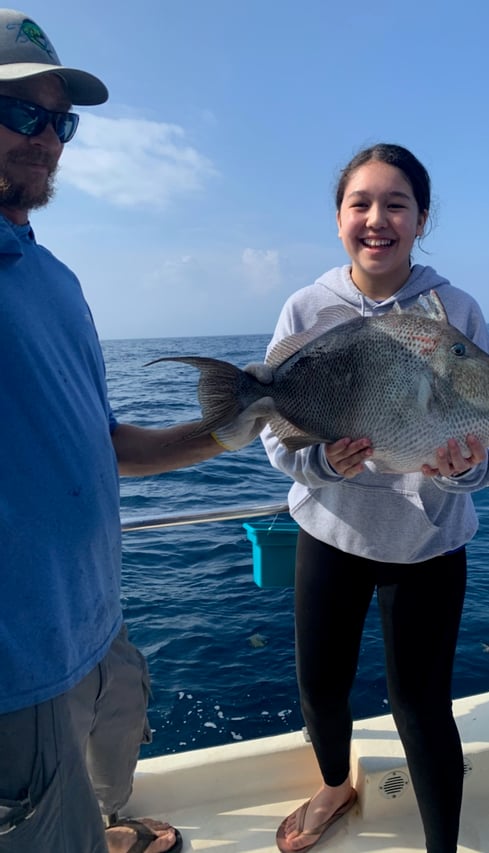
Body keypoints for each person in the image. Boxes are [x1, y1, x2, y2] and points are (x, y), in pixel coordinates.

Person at [0, 9, 239, 853]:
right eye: (20, 112)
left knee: (104, 783)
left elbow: (105, 445)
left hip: (97, 623)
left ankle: (105, 828)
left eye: (59, 121)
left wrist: (235, 428)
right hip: (16, 667)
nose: (47, 138)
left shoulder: (55, 277)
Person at [261, 143, 489, 853]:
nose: (378, 219)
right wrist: (320, 461)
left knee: (422, 706)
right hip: (331, 531)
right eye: (361, 203)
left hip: (428, 542)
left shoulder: (454, 309)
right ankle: (336, 784)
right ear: (338, 217)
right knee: (322, 689)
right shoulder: (307, 307)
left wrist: (464, 470)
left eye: (396, 204)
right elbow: (276, 436)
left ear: (422, 218)